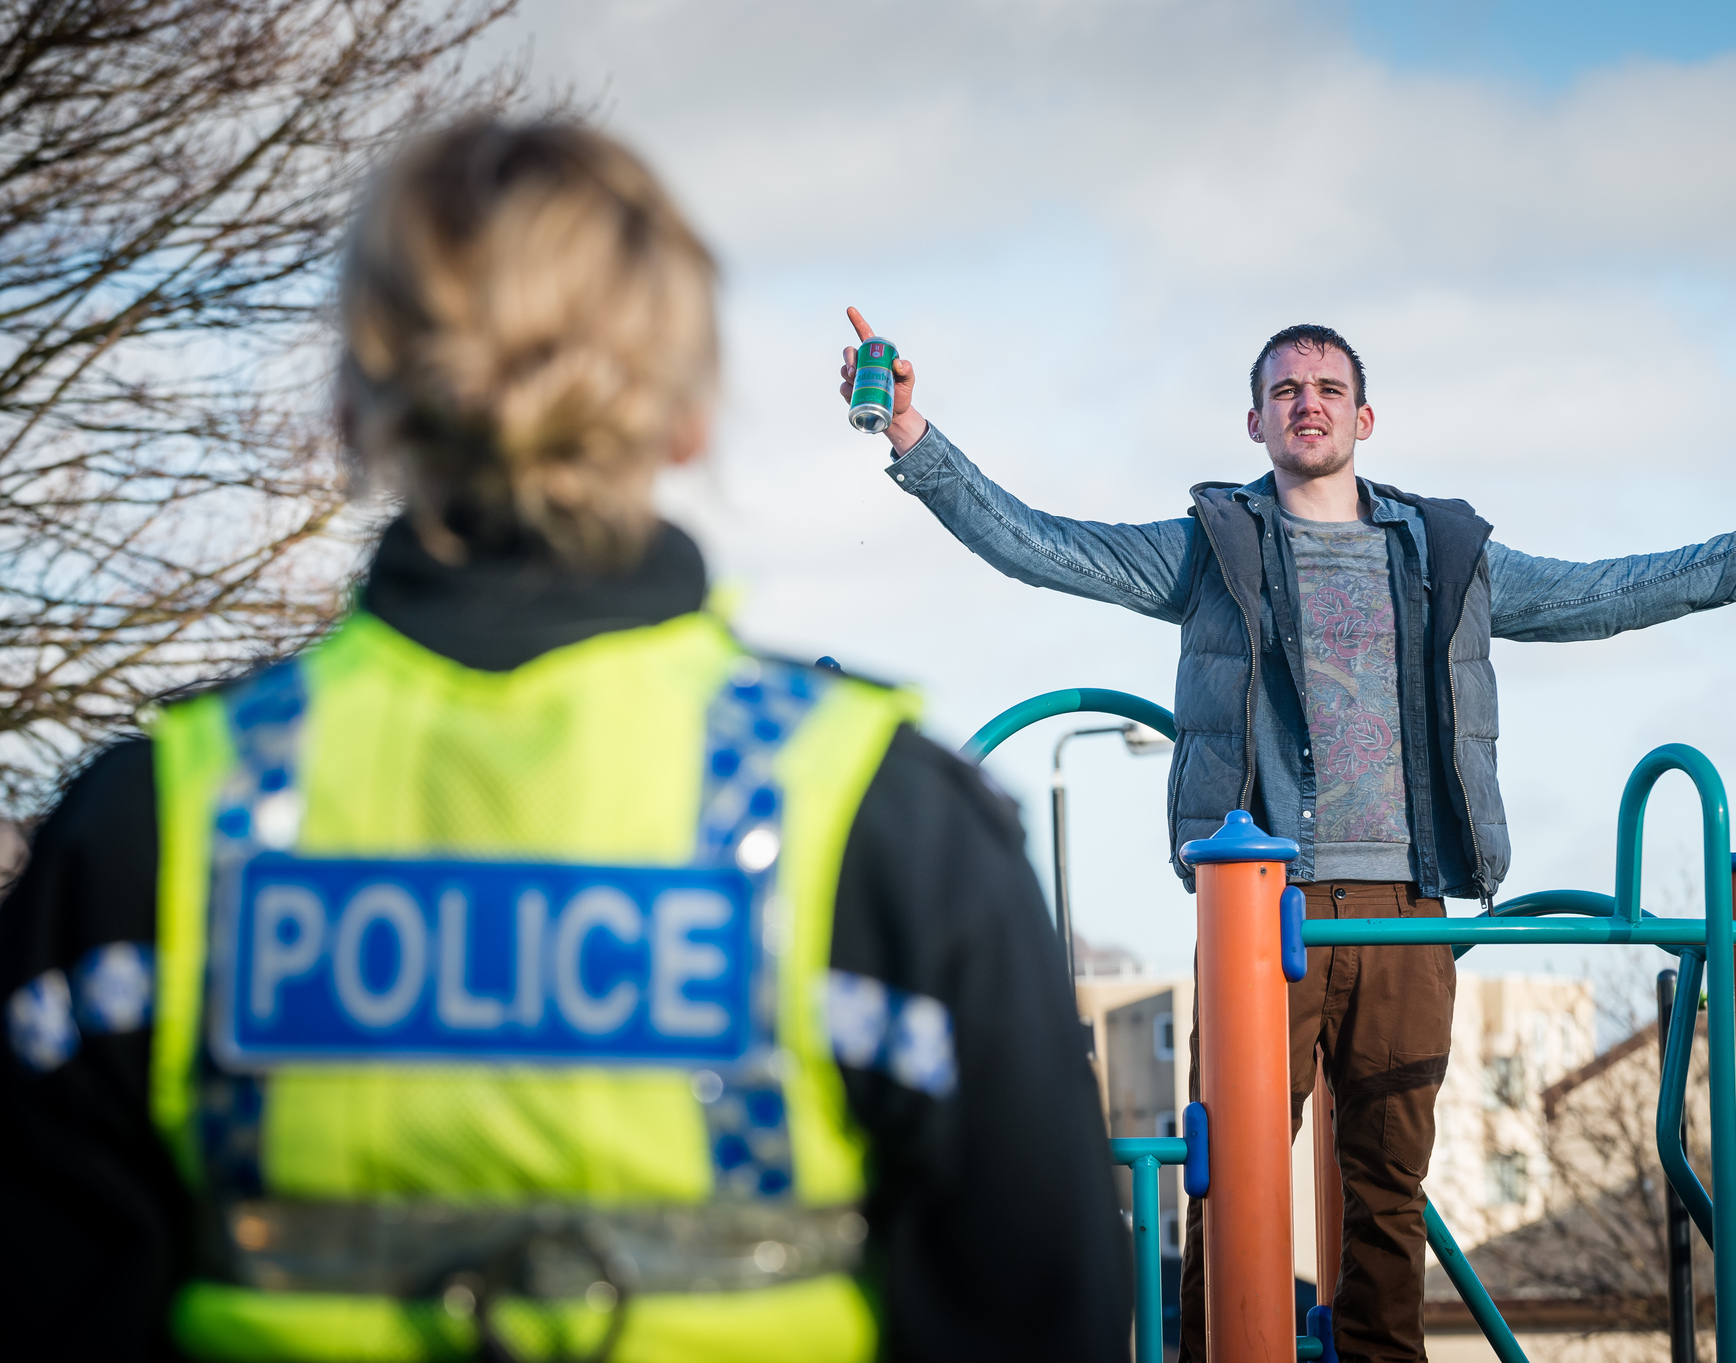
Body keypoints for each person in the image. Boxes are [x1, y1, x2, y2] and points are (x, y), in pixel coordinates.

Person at [0, 122, 1129, 1363]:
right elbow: (1041, 1310)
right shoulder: (893, 829)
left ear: (352, 401)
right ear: (689, 417)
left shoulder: (140, 829)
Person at [837, 312, 1736, 1360]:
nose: (1308, 402)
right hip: (1261, 907)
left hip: (1404, 907)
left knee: (1389, 1182)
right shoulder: (1213, 544)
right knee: (1234, 1173)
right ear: (1255, 420)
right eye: (1285, 389)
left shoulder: (1441, 554)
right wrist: (913, 434)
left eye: (1327, 387)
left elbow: (1601, 593)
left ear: (1363, 415)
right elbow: (1042, 545)